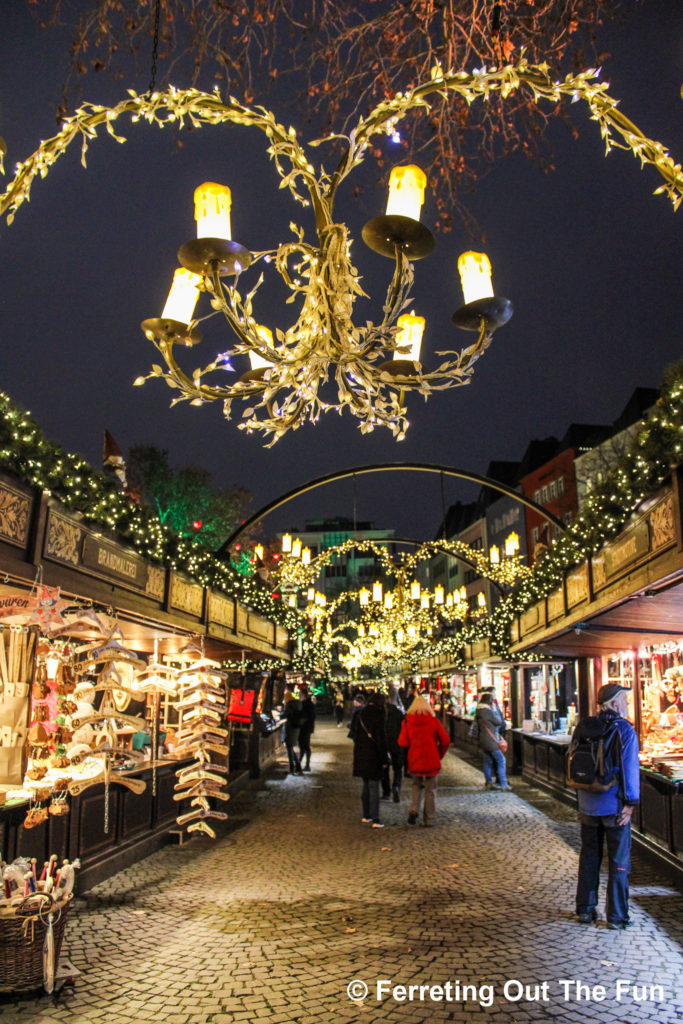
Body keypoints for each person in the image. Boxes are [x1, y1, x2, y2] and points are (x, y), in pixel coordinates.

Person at [574, 683, 640, 930]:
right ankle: (616, 916)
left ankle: (585, 909)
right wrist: (630, 803)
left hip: (588, 805)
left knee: (589, 856)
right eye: (624, 699)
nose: (626, 704)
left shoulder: (585, 726)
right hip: (614, 806)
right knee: (618, 861)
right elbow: (629, 769)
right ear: (614, 704)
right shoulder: (624, 730)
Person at [398, 694, 450, 826]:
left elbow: (402, 742)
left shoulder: (407, 722)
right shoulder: (433, 721)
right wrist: (439, 754)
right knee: (430, 790)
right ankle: (429, 819)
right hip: (431, 759)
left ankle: (414, 809)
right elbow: (445, 740)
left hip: (415, 759)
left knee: (416, 785)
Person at [350, 691, 389, 828]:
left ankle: (366, 815)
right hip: (374, 754)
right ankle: (376, 818)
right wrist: (384, 759)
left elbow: (355, 734)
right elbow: (381, 739)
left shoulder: (361, 713)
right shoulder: (378, 715)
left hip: (361, 754)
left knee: (366, 785)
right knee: (374, 786)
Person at [474, 692, 511, 791]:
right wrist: (495, 710)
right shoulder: (488, 711)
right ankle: (503, 784)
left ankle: (489, 782)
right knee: (501, 760)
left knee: (487, 761)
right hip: (491, 741)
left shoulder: (479, 711)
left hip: (483, 740)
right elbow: (499, 721)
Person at [383, 685, 405, 802]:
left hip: (384, 745)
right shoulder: (398, 713)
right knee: (397, 769)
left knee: (384, 769)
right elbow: (403, 727)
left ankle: (386, 792)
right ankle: (396, 786)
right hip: (397, 744)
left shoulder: (381, 713)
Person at [282, 690, 302, 775]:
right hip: (296, 727)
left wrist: (279, 715)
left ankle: (292, 768)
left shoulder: (290, 705)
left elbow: (286, 714)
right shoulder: (298, 704)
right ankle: (297, 766)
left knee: (289, 747)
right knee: (290, 747)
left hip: (290, 727)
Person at [298, 683, 316, 771]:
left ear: (303, 695)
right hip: (308, 728)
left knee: (303, 746)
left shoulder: (304, 704)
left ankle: (301, 764)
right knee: (305, 746)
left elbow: (304, 717)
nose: (298, 695)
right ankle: (303, 764)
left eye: (299, 694)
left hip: (304, 728)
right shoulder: (309, 704)